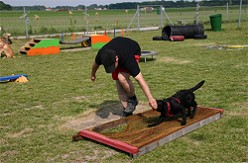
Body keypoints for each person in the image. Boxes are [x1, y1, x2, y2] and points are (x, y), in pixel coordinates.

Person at [90, 37, 157, 116]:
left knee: (121, 77)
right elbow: (95, 64)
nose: (112, 69)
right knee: (118, 82)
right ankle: (127, 110)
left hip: (132, 50)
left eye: (112, 66)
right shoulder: (102, 54)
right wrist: (93, 74)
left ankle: (133, 99)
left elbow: (140, 79)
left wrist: (150, 98)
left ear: (116, 59)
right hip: (119, 50)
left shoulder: (128, 59)